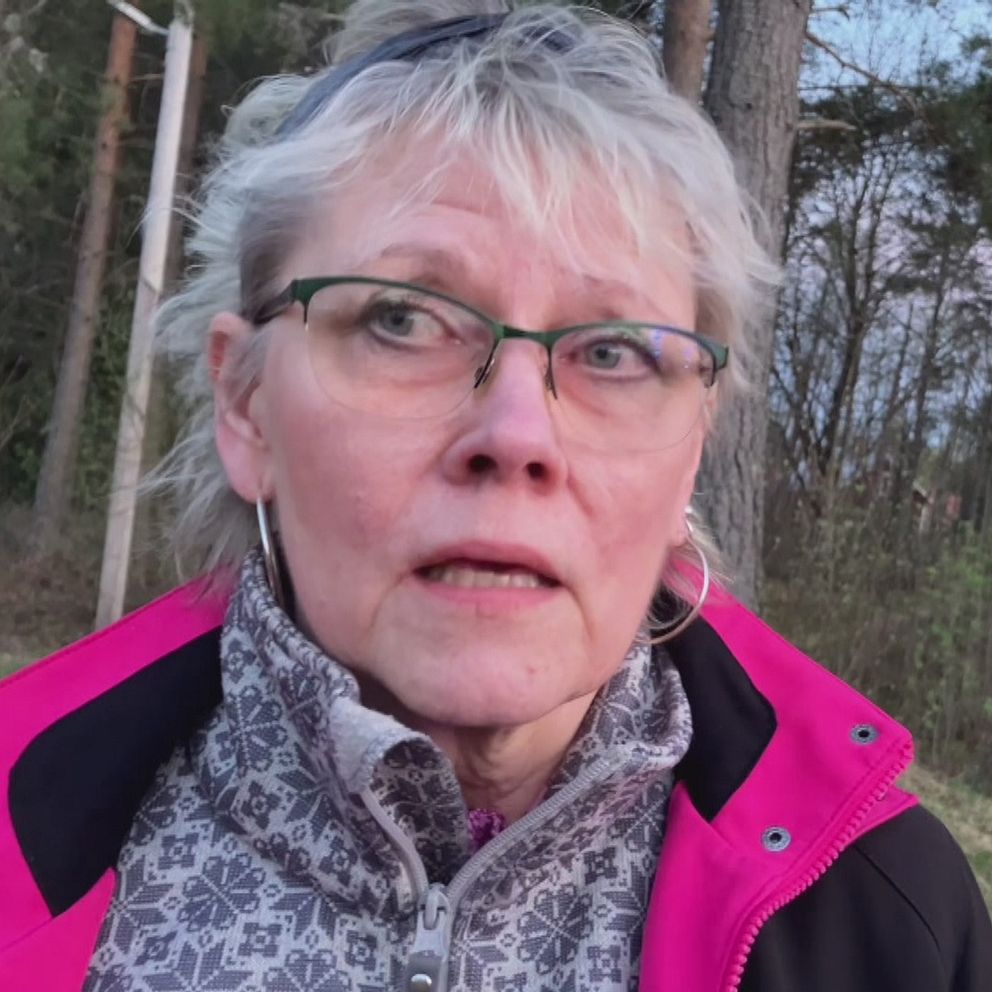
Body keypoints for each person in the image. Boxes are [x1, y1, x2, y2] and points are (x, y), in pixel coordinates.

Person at [1, 2, 990, 990]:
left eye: (613, 351)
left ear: (693, 447)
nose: (516, 434)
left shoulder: (890, 922)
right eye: (402, 320)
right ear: (247, 406)